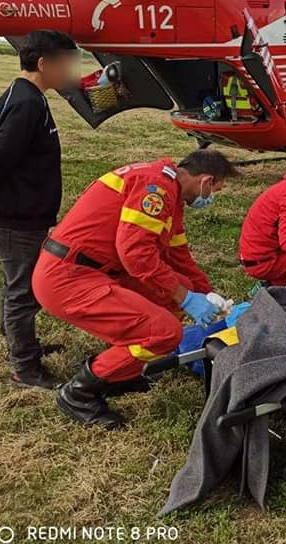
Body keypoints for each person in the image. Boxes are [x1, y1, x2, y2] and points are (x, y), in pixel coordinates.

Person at [32, 149, 238, 429]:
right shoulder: (157, 188)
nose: (211, 197)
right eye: (216, 189)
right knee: (164, 332)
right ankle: (79, 393)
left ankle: (122, 370)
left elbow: (178, 257)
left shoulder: (171, 193)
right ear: (206, 180)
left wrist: (205, 292)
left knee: (180, 290)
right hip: (69, 276)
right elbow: (136, 253)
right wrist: (185, 298)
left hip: (92, 270)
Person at [0, 30, 78, 389]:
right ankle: (24, 367)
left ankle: (21, 347)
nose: (70, 71)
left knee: (17, 285)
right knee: (24, 291)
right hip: (16, 218)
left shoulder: (25, 97)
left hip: (19, 213)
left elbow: (0, 156)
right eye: (66, 63)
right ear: (44, 63)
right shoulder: (26, 103)